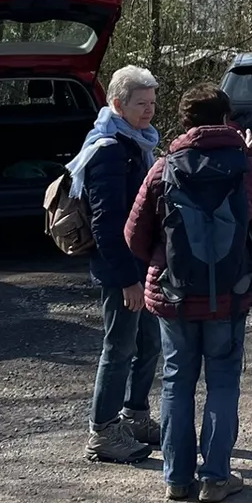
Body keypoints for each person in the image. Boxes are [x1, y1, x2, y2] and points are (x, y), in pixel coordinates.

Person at [124, 84, 252, 503]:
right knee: (224, 383)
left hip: (175, 296)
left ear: (185, 121)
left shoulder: (164, 168)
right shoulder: (242, 165)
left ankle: (177, 478)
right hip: (230, 294)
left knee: (177, 383)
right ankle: (215, 477)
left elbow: (133, 234)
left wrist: (160, 259)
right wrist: (250, 157)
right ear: (228, 119)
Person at [75, 64, 163, 464]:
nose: (149, 111)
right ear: (117, 104)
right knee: (119, 347)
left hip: (141, 267)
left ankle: (136, 415)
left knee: (149, 343)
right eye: (140, 104)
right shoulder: (109, 151)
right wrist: (128, 279)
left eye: (152, 102)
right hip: (121, 272)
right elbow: (107, 224)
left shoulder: (139, 142)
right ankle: (104, 431)